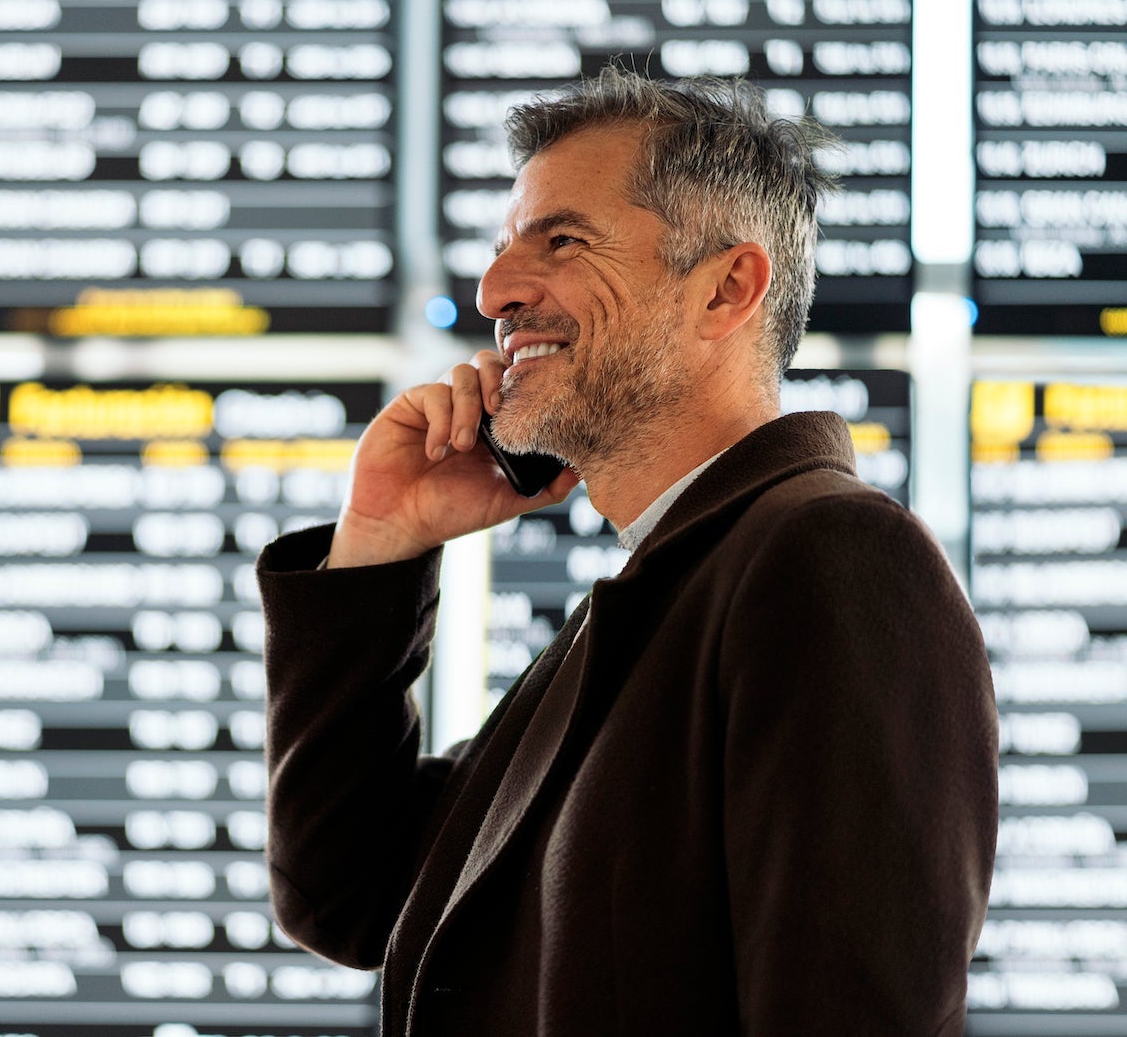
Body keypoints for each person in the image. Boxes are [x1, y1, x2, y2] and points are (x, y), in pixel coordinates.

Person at [256, 68, 998, 1035]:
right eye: (504, 249)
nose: (495, 292)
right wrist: (380, 543)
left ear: (728, 288)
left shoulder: (830, 558)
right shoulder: (655, 595)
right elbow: (347, 893)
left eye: (561, 241)